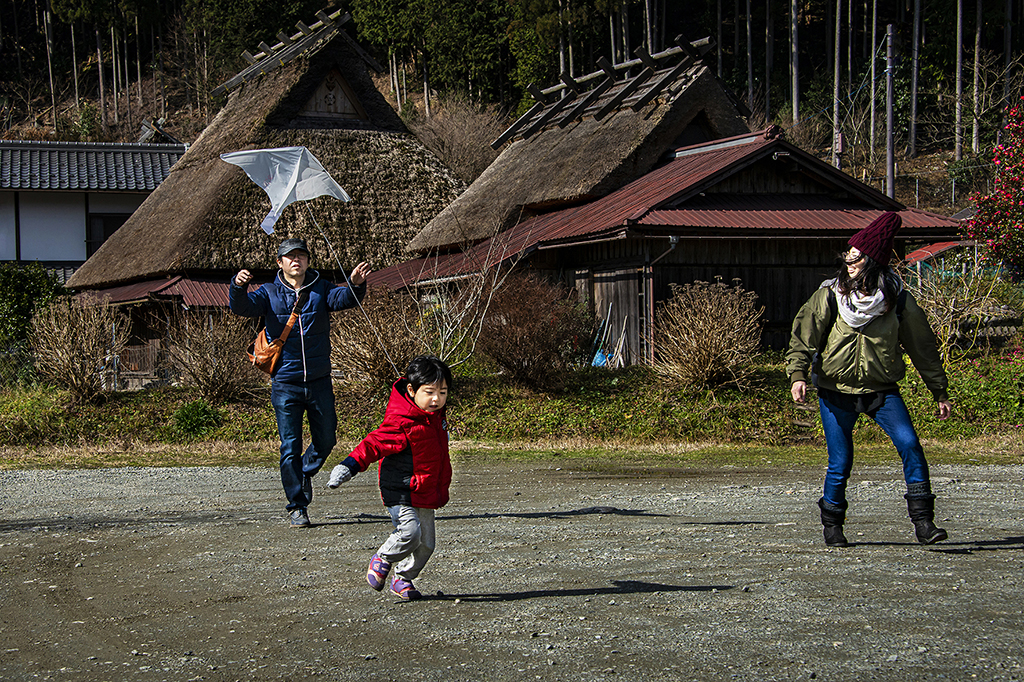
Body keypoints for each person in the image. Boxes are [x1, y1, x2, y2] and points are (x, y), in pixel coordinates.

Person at [786, 211, 953, 547]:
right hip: (835, 392)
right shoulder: (830, 295)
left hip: (882, 391)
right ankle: (833, 526)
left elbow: (922, 347)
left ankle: (924, 524)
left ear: (873, 262)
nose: (849, 265)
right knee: (840, 461)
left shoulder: (898, 299)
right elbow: (804, 336)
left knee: (910, 445)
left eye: (856, 260)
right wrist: (798, 375)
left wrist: (939, 391)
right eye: (847, 259)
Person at [229, 237, 371, 528]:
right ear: (280, 263)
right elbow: (241, 307)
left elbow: (344, 300)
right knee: (290, 446)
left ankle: (305, 471)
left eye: (301, 256)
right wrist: (237, 285)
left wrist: (355, 284)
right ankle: (297, 506)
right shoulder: (268, 292)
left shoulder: (321, 287)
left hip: (319, 380)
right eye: (290, 257)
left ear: (308, 261)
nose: (296, 260)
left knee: (327, 438)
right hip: (285, 382)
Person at [327, 355, 452, 601]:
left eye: (443, 392)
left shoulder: (437, 418)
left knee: (427, 545)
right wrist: (348, 467)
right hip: (401, 489)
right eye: (429, 392)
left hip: (424, 490)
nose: (436, 399)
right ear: (411, 390)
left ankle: (403, 578)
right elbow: (373, 444)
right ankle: (382, 558)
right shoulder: (401, 422)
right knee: (410, 533)